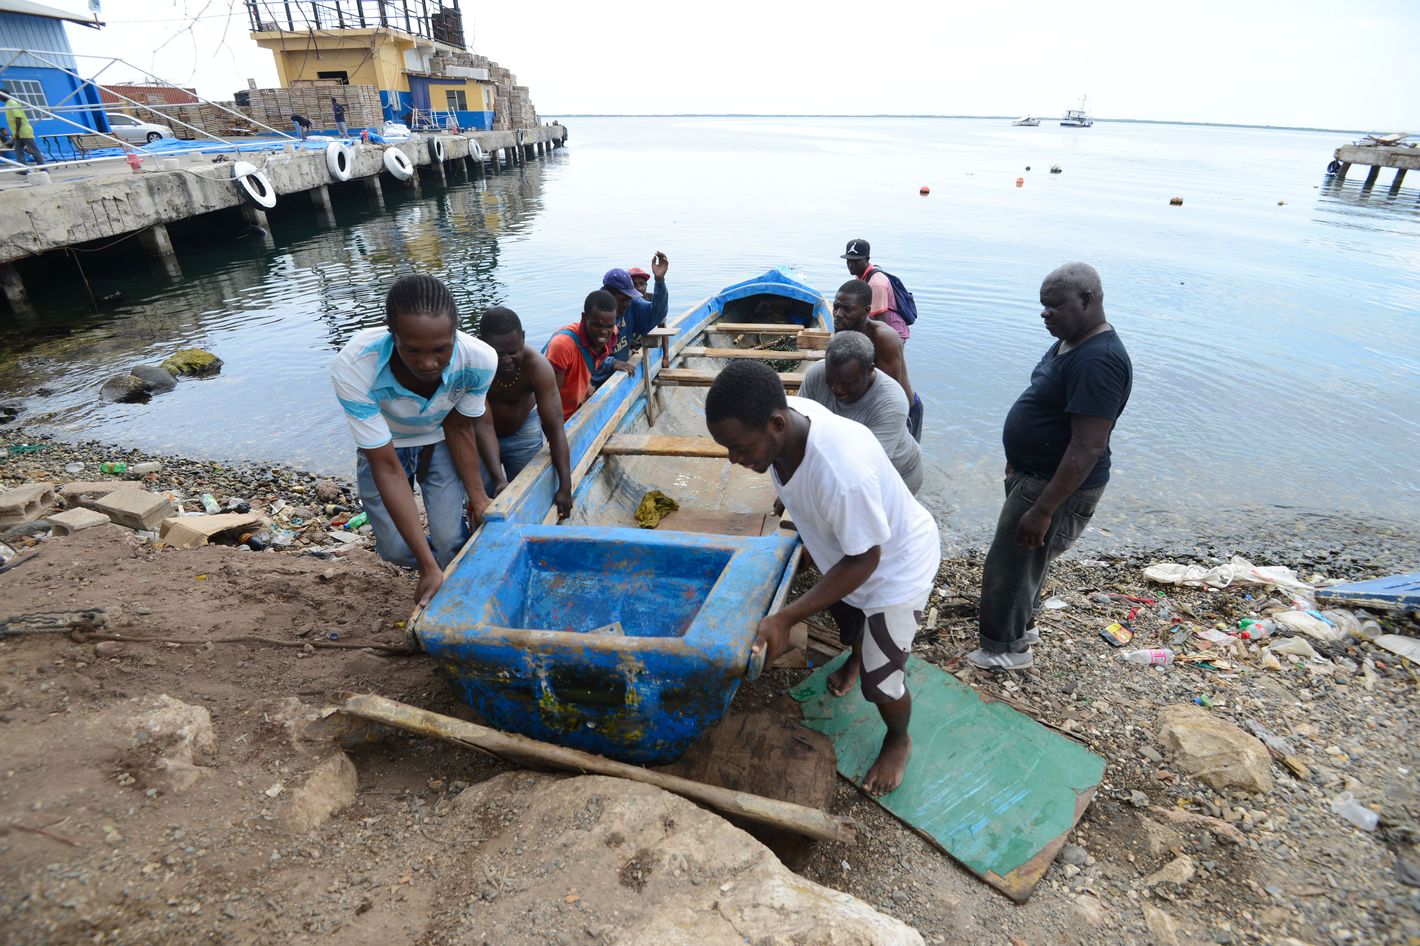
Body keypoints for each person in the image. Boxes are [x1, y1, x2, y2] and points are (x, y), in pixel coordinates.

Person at [706, 361, 939, 796]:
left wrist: (785, 618)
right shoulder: (785, 419)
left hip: (894, 569)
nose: (734, 460)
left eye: (739, 448)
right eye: (727, 449)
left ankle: (898, 738)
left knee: (880, 683)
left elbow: (866, 560)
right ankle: (855, 652)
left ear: (776, 423)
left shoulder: (841, 472)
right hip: (847, 556)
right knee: (851, 629)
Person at [970, 262, 1132, 671]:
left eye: (1054, 306)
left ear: (1088, 300)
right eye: (1042, 307)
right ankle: (1019, 628)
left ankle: (1005, 651)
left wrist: (1042, 508)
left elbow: (1088, 444)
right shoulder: (1070, 342)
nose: (1045, 315)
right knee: (1025, 561)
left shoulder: (1100, 361)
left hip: (1054, 487)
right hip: (1033, 476)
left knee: (1008, 565)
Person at [330, 274, 501, 606]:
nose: (428, 363)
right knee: (394, 550)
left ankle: (455, 596)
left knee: (452, 539)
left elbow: (460, 427)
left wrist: (479, 497)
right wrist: (426, 565)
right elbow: (388, 467)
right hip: (385, 447)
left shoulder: (479, 360)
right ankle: (434, 569)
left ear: (456, 332)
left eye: (441, 350)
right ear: (391, 332)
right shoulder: (354, 366)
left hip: (440, 439)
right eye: (412, 350)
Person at [477, 306, 575, 518]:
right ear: (481, 342)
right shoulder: (474, 367)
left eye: (513, 352)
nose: (506, 360)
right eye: (498, 353)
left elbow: (555, 428)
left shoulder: (537, 367)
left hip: (522, 432)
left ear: (522, 338)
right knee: (483, 500)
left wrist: (565, 486)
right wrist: (499, 480)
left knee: (531, 492)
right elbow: (483, 424)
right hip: (480, 434)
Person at [799, 332, 923, 495]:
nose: (837, 389)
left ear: (870, 370)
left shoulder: (891, 401)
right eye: (831, 380)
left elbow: (867, 468)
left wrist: (809, 489)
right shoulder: (816, 375)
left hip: (897, 473)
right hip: (846, 459)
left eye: (847, 383)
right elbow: (800, 429)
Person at [833, 279, 922, 442]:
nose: (838, 314)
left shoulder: (882, 337)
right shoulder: (843, 330)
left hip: (903, 410)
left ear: (866, 311)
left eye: (847, 309)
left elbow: (889, 395)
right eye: (835, 307)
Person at [590, 253, 669, 386]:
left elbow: (656, 314)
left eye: (629, 299)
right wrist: (613, 362)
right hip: (594, 382)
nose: (627, 303)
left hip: (618, 376)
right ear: (609, 295)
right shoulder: (596, 314)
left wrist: (660, 281)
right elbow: (587, 355)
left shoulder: (631, 305)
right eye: (623, 299)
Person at [545, 290, 618, 420]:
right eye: (597, 325)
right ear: (584, 318)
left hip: (577, 408)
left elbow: (587, 364)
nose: (603, 332)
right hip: (559, 418)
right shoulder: (563, 345)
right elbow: (549, 400)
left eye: (609, 326)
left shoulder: (612, 334)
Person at [840, 239, 910, 343]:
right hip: (876, 328)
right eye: (848, 260)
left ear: (867, 259)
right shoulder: (861, 275)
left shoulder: (876, 284)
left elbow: (880, 322)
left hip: (891, 336)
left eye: (855, 261)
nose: (851, 265)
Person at [1, 90, 45, 169]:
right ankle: (23, 168)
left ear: (5, 95)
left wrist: (17, 132)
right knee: (18, 150)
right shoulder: (8, 104)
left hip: (23, 132)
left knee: (33, 150)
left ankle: (43, 167)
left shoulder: (12, 103)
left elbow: (18, 118)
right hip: (17, 133)